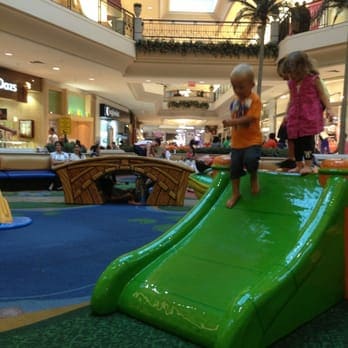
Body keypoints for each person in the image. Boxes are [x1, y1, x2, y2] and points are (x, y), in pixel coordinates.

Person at [285, 51, 334, 174]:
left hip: (309, 115)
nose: (292, 76)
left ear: (302, 69)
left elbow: (323, 95)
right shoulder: (291, 83)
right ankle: (298, 164)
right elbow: (291, 99)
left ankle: (308, 164)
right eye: (290, 74)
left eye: (294, 73)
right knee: (295, 141)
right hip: (295, 116)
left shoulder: (313, 80)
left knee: (307, 141)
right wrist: (287, 114)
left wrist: (329, 108)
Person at [222, 63, 263, 208]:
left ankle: (253, 176)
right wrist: (232, 123)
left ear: (251, 84)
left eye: (241, 87)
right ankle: (235, 193)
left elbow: (249, 119)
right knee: (234, 169)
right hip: (237, 143)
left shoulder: (254, 100)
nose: (237, 90)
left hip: (252, 141)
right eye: (234, 87)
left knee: (251, 160)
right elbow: (237, 123)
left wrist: (231, 122)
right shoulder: (234, 103)